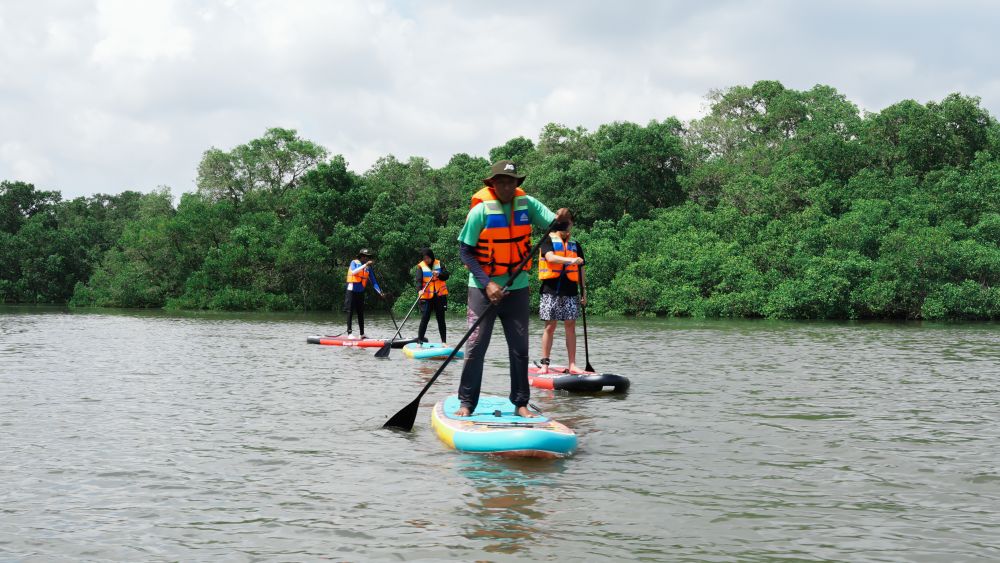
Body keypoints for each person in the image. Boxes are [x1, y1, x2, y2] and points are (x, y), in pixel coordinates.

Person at [455, 160, 570, 418]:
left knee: (520, 349)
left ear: (516, 183)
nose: (507, 187)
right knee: (475, 347)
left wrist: (563, 217)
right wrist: (488, 283)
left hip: (517, 288)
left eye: (511, 182)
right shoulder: (480, 211)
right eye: (502, 182)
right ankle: (467, 403)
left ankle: (520, 403)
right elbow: (465, 251)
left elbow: (558, 225)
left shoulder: (527, 204)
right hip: (482, 289)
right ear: (493, 184)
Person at [537, 211, 587, 373]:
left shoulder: (575, 245)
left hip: (570, 290)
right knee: (550, 326)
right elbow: (551, 258)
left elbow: (581, 270)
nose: (567, 225)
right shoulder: (547, 240)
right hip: (550, 290)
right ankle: (545, 365)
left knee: (570, 326)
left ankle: (572, 364)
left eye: (569, 222)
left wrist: (584, 291)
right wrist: (571, 260)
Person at [344, 248, 383, 339]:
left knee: (360, 312)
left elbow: (374, 282)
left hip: (360, 291)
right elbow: (354, 272)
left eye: (368, 257)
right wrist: (365, 265)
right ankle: (349, 333)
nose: (367, 258)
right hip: (351, 290)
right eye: (365, 256)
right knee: (350, 311)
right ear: (361, 256)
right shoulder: (354, 262)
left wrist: (380, 292)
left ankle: (362, 334)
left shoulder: (368, 268)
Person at [415, 248, 450, 344]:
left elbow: (446, 275)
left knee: (441, 320)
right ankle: (420, 341)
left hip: (439, 296)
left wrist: (439, 274)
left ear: (431, 257)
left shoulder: (439, 264)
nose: (426, 260)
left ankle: (444, 342)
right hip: (426, 297)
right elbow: (418, 281)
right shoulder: (421, 267)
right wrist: (419, 290)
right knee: (425, 318)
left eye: (428, 258)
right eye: (424, 258)